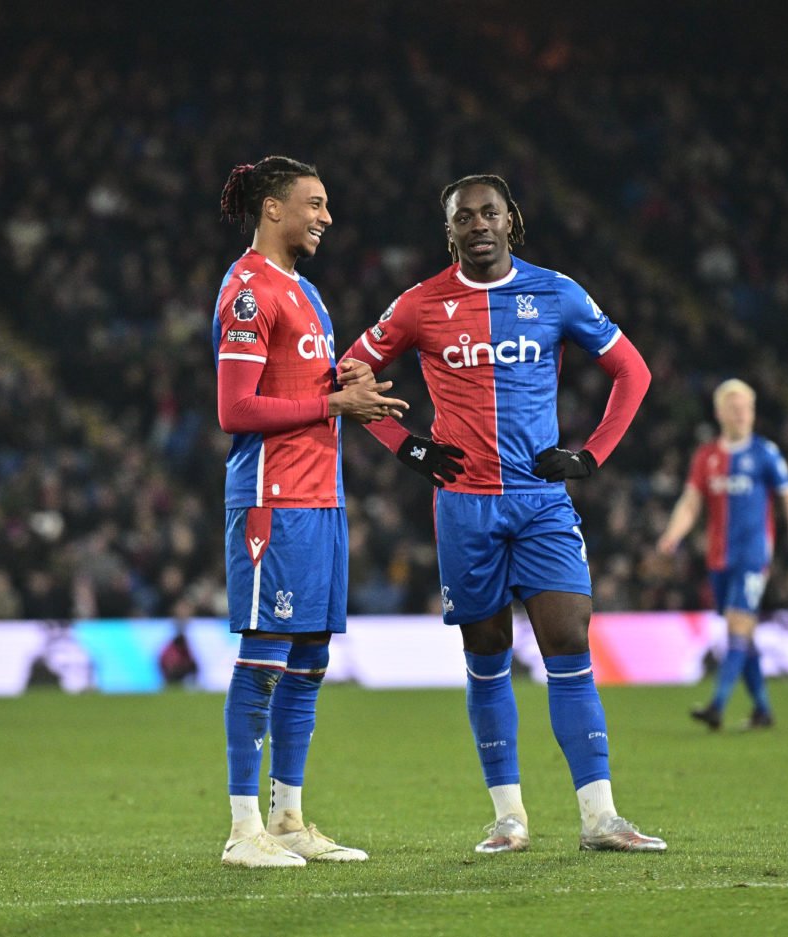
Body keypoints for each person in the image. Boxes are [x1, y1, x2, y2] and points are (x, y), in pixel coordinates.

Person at [340, 174, 663, 853]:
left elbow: (633, 371)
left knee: (569, 639)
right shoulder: (420, 305)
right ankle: (509, 817)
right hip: (465, 506)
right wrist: (407, 446)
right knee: (487, 650)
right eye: (465, 217)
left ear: (512, 219)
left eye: (490, 212)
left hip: (542, 502)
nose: (479, 224)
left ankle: (601, 816)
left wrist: (592, 457)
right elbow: (348, 372)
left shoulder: (557, 292)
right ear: (450, 231)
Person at [212, 156, 407, 868]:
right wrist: (331, 403)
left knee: (311, 661)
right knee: (263, 659)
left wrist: (343, 379)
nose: (326, 216)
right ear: (273, 208)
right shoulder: (246, 291)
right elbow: (235, 408)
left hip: (323, 499)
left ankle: (288, 818)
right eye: (314, 203)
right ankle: (242, 831)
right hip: (273, 499)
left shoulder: (310, 294)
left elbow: (303, 383)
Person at [655, 379, 788, 731]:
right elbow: (691, 502)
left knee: (739, 625)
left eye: (747, 407)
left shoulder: (765, 454)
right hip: (718, 559)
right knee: (742, 633)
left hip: (753, 556)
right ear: (719, 412)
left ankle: (717, 705)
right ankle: (762, 710)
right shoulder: (706, 457)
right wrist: (673, 535)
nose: (742, 414)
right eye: (735, 407)